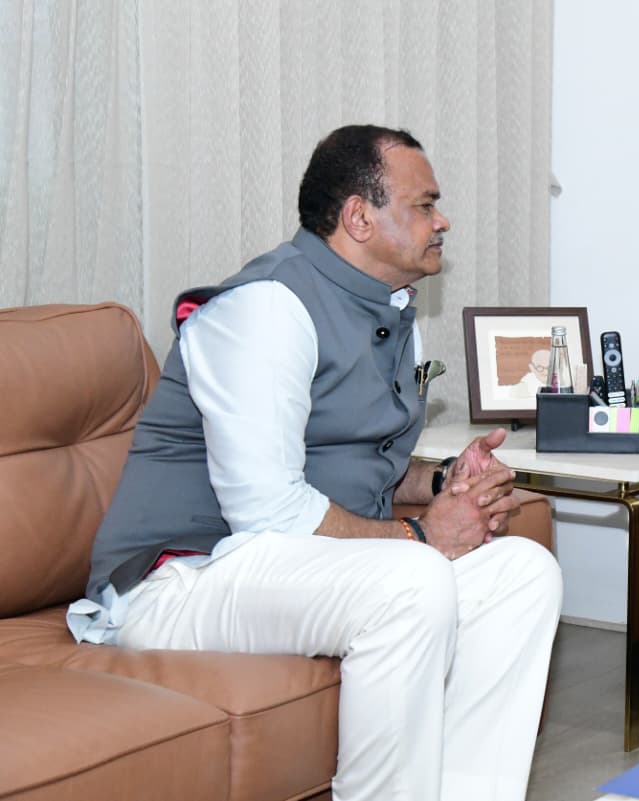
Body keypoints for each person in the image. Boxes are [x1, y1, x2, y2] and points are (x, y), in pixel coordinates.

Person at [66, 125, 562, 801]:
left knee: (522, 572)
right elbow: (270, 511)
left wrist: (446, 482)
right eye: (424, 204)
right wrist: (422, 534)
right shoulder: (268, 306)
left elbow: (348, 459)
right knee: (411, 580)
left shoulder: (389, 310)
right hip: (179, 579)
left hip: (279, 568)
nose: (442, 221)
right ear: (359, 216)